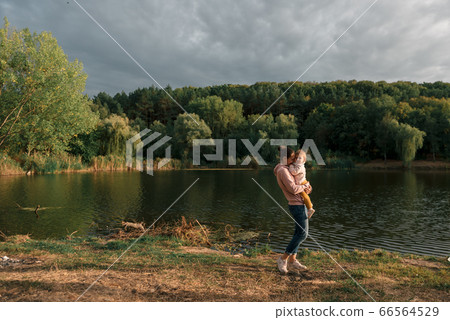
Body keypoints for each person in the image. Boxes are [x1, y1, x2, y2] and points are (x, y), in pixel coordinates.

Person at [273, 147, 312, 274]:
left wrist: (306, 187)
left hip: (300, 203)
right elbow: (294, 189)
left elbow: (298, 183)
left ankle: (292, 260)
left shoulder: (287, 168)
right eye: (292, 158)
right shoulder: (283, 171)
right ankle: (283, 259)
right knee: (303, 234)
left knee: (298, 233)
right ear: (285, 158)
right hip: (297, 205)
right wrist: (305, 186)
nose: (294, 160)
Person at [289, 149, 315, 219]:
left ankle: (310, 208)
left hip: (302, 182)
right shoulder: (298, 164)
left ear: (304, 160)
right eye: (296, 158)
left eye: (300, 158)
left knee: (304, 195)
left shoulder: (300, 166)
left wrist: (291, 167)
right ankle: (309, 203)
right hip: (302, 181)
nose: (298, 159)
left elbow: (294, 172)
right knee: (304, 195)